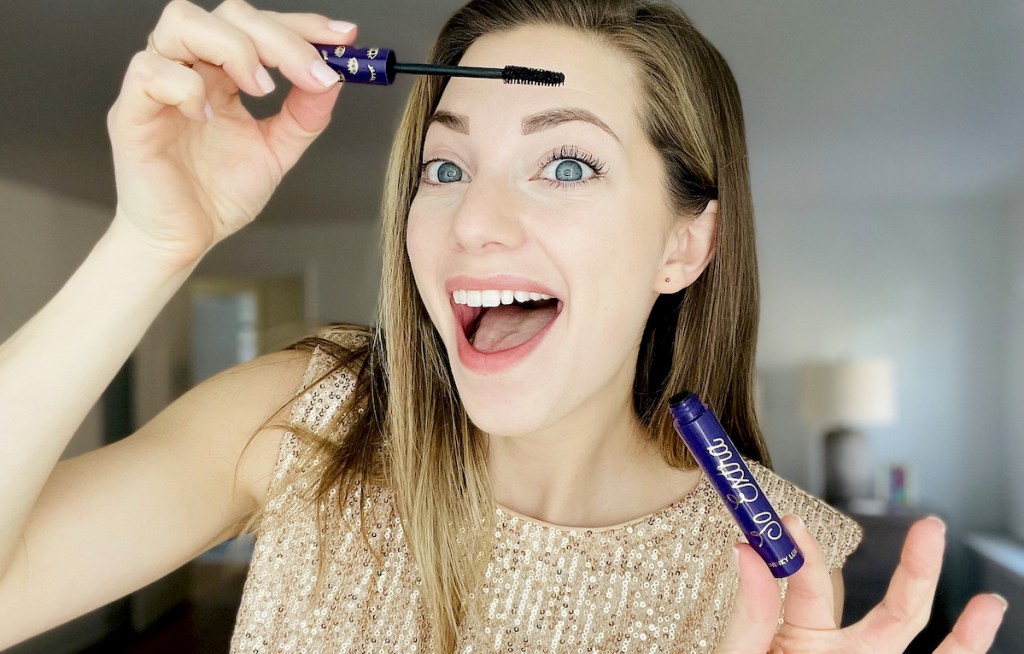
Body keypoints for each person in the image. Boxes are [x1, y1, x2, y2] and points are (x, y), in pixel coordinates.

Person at [0, 0, 1006, 651]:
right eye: (444, 168)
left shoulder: (785, 560)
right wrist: (151, 240)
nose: (472, 221)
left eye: (566, 163)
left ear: (684, 248)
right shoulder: (307, 416)